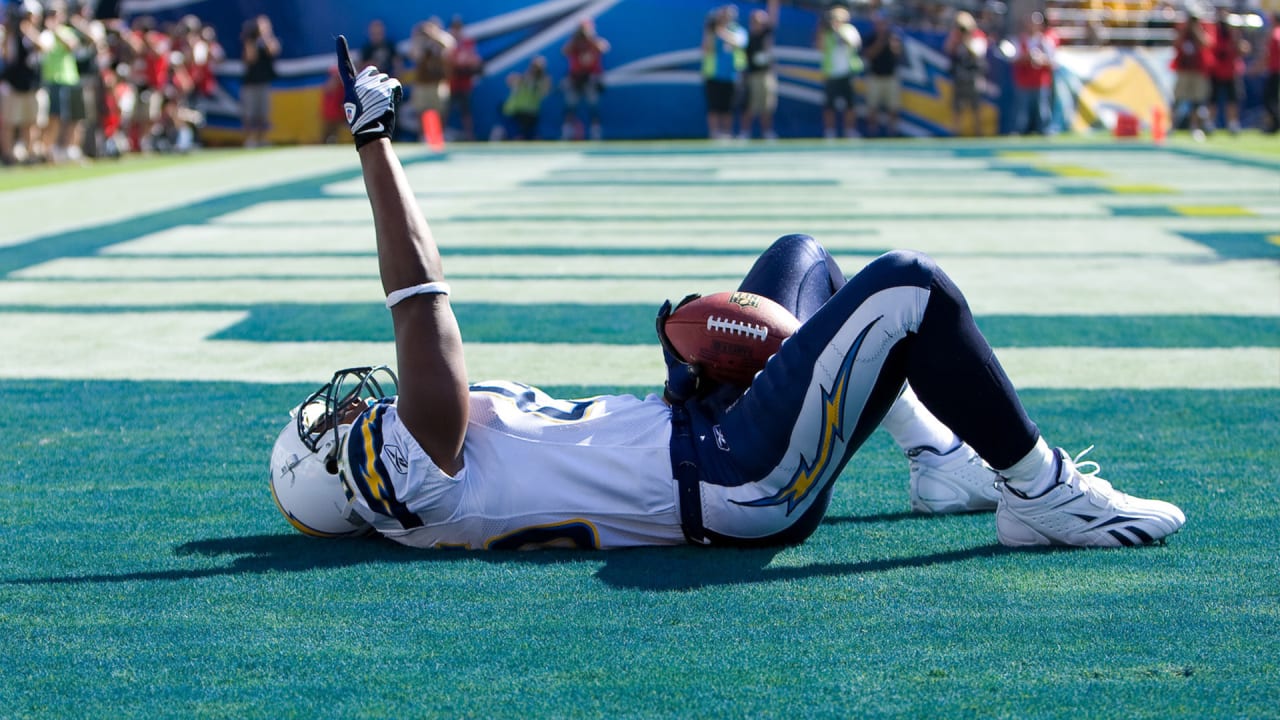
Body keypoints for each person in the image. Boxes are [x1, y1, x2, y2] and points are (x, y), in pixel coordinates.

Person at [270, 36, 1187, 552]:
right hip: (731, 478)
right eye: (329, 431)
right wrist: (375, 143)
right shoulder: (402, 476)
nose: (350, 410)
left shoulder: (419, 459)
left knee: (802, 257)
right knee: (909, 286)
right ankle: (1041, 493)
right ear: (339, 480)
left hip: (696, 431)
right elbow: (421, 301)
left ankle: (940, 461)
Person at [816, 5, 862, 139]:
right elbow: (820, 48)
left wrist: (839, 32)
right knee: (829, 105)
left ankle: (850, 131)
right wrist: (823, 30)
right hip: (831, 73)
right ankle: (830, 132)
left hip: (847, 72)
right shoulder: (826, 32)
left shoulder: (849, 30)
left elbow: (854, 45)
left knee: (850, 105)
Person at [559, 18, 609, 141]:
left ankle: (595, 132)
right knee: (570, 106)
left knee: (593, 106)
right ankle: (567, 132)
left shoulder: (594, 42)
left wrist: (590, 38)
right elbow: (564, 51)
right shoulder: (574, 43)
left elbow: (605, 47)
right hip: (575, 78)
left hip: (590, 78)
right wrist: (575, 40)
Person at [702, 5, 746, 140]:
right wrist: (710, 30)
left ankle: (727, 133)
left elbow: (739, 42)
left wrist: (721, 31)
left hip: (731, 76)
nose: (726, 17)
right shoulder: (712, 31)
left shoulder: (738, 30)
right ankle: (714, 134)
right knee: (713, 106)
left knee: (728, 107)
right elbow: (706, 49)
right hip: (713, 74)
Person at [1009, 11, 1057, 136]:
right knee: (1021, 112)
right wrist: (1027, 57)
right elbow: (1014, 59)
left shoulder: (1045, 42)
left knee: (1042, 111)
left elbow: (1054, 63)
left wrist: (1041, 59)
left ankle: (1044, 131)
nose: (1032, 25)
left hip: (1040, 82)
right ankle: (1019, 132)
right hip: (1024, 82)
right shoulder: (1019, 40)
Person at [407, 17, 453, 142]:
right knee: (421, 111)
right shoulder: (420, 42)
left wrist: (434, 36)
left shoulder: (441, 40)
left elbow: (450, 45)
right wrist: (420, 38)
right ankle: (423, 136)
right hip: (422, 82)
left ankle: (440, 135)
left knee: (440, 111)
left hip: (438, 82)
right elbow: (414, 55)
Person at [739, 0, 780, 140]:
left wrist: (773, 4)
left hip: (766, 74)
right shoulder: (747, 38)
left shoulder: (766, 34)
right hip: (753, 75)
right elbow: (743, 59)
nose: (762, 23)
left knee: (767, 106)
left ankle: (767, 132)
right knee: (750, 106)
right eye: (758, 20)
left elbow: (773, 18)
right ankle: (745, 132)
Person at [945, 10, 988, 137]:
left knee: (976, 107)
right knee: (957, 107)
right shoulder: (956, 35)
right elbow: (948, 49)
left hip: (973, 76)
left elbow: (978, 53)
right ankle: (955, 132)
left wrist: (967, 38)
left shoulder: (978, 35)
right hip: (960, 76)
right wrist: (957, 38)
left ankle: (978, 132)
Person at [1171, 8, 1211, 141]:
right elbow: (1176, 44)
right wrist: (1186, 29)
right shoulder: (1182, 28)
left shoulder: (1203, 27)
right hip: (1183, 69)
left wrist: (1195, 29)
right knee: (1178, 99)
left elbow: (1206, 43)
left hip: (1198, 69)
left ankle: (1194, 127)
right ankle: (1172, 125)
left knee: (1197, 101)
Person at [239, 14, 278, 147]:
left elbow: (273, 50)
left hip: (264, 82)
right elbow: (250, 58)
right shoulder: (250, 41)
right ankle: (250, 139)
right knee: (250, 114)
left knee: (263, 114)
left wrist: (265, 35)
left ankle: (262, 139)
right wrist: (251, 38)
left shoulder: (268, 40)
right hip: (251, 83)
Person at [861, 12, 903, 138]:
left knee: (893, 107)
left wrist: (892, 44)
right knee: (872, 107)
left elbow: (898, 55)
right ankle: (872, 132)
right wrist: (880, 42)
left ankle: (893, 132)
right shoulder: (871, 38)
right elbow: (867, 55)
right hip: (875, 76)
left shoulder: (893, 37)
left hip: (890, 77)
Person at [1208, 8, 1247, 136]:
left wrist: (1235, 35)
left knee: (1232, 99)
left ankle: (1232, 124)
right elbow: (1210, 46)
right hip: (1216, 70)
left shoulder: (1234, 34)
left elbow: (1244, 50)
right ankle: (1210, 123)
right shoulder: (1214, 32)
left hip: (1231, 71)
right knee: (1213, 100)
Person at [495, 55, 549, 141]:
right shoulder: (522, 78)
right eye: (534, 67)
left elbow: (545, 91)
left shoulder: (543, 81)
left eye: (538, 68)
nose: (535, 70)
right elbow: (509, 80)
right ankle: (502, 134)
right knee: (517, 137)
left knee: (534, 138)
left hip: (531, 114)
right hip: (514, 113)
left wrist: (538, 80)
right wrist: (524, 79)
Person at [445, 15, 480, 141]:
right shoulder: (447, 43)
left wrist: (463, 61)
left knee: (466, 112)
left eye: (459, 27)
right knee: (445, 111)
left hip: (464, 83)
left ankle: (470, 136)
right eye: (454, 27)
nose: (456, 30)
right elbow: (449, 61)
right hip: (450, 83)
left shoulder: (467, 43)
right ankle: (439, 137)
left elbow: (473, 60)